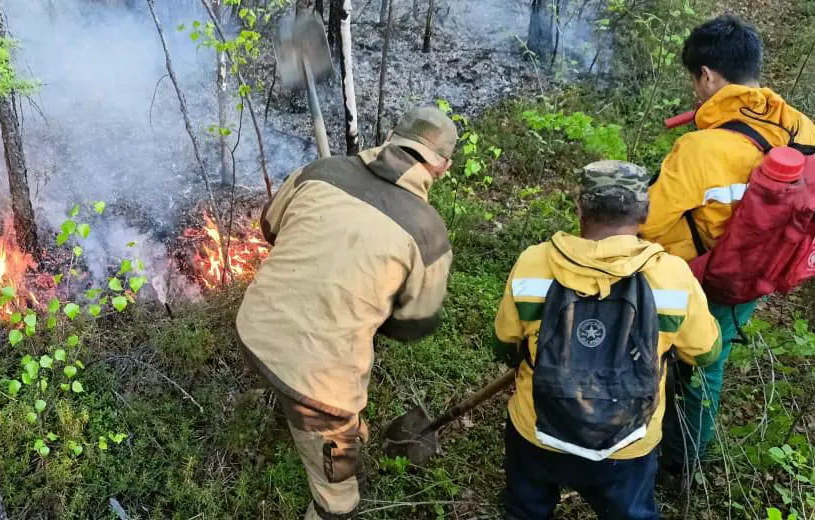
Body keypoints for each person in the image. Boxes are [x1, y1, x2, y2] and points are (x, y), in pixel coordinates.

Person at [236, 106, 457, 519]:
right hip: (316, 383)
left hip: (252, 328)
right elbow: (414, 324)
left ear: (392, 136)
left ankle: (313, 411)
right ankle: (330, 493)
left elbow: (270, 227)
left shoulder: (321, 170)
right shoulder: (429, 234)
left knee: (315, 371)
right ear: (442, 166)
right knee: (340, 495)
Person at [494, 161, 721, 519]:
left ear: (580, 208)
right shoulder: (673, 275)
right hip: (629, 441)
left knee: (526, 511)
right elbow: (706, 353)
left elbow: (506, 341)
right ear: (644, 212)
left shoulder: (534, 263)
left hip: (538, 429)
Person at [639, 15, 815, 475]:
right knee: (712, 359)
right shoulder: (804, 132)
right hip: (766, 271)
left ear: (708, 75)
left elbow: (646, 224)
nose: (695, 92)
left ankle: (677, 459)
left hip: (702, 276)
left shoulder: (700, 149)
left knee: (689, 363)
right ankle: (689, 452)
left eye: (695, 81)